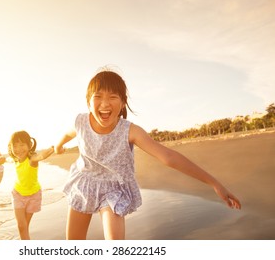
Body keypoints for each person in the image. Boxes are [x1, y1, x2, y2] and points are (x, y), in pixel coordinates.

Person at [54, 68, 241, 240]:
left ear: (122, 103)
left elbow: (169, 158)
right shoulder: (80, 122)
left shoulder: (130, 131)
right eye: (98, 96)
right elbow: (67, 134)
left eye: (113, 96)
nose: (105, 103)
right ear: (88, 102)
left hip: (114, 189)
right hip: (85, 183)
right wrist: (58, 146)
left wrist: (214, 183)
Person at [8, 131, 54, 239]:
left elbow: (40, 156)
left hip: (33, 196)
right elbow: (7, 159)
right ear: (10, 147)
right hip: (18, 194)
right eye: (15, 146)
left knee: (24, 226)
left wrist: (53, 148)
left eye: (22, 145)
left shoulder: (31, 160)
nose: (18, 149)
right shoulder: (15, 160)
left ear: (29, 146)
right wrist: (1, 159)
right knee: (21, 225)